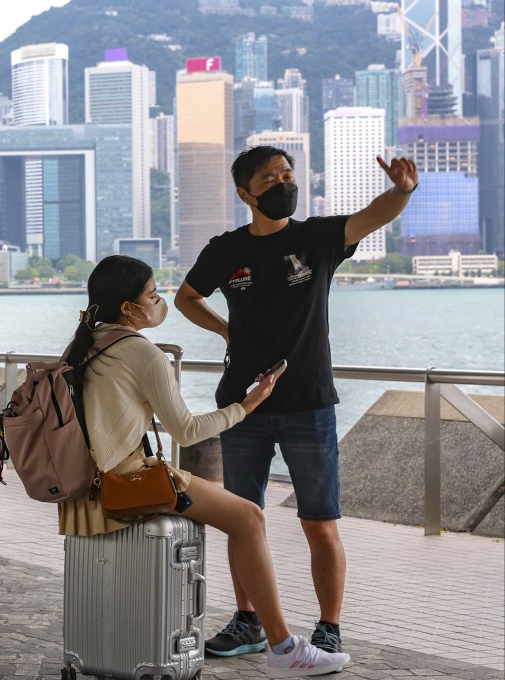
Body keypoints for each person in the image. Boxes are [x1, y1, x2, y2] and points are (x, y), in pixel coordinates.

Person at [174, 146, 418, 659]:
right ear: (246, 193)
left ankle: (329, 627)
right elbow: (186, 297)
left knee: (320, 523)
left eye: (288, 174)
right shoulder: (226, 248)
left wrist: (401, 191)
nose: (284, 183)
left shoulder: (316, 238)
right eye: (270, 178)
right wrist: (227, 331)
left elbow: (374, 216)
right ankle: (247, 622)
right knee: (240, 517)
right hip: (243, 406)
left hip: (309, 402)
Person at [59, 254, 350, 677]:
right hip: (126, 483)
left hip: (82, 491)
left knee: (244, 515)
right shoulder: (139, 351)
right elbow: (188, 431)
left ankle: (260, 631)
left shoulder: (83, 345)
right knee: (248, 517)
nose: (160, 302)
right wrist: (246, 405)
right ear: (128, 308)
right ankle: (284, 649)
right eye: (154, 295)